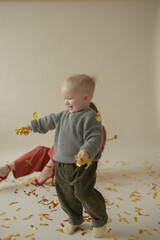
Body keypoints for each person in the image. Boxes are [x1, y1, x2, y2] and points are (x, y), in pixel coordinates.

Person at [25, 74, 108, 238]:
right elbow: (48, 121)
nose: (66, 102)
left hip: (83, 165)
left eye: (70, 98)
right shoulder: (63, 115)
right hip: (62, 164)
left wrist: (86, 150)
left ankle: (99, 219)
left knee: (84, 192)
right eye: (64, 98)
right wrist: (33, 126)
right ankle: (75, 218)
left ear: (86, 97)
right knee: (65, 193)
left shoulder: (91, 117)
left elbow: (95, 137)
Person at [0, 103, 106, 187]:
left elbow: (94, 150)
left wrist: (84, 152)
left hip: (76, 168)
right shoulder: (68, 121)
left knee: (66, 136)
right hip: (60, 161)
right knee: (40, 150)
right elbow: (49, 121)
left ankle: (49, 167)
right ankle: (7, 168)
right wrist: (31, 127)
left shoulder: (98, 130)